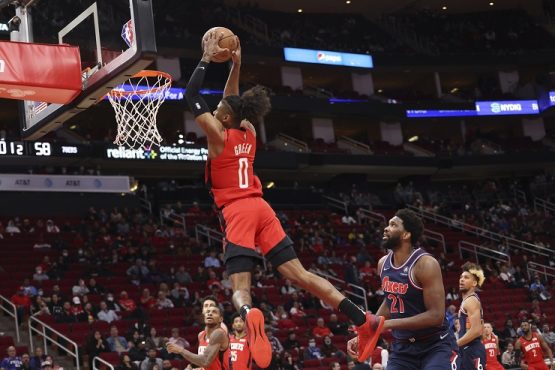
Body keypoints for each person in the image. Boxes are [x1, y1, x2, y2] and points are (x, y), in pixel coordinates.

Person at [185, 30, 382, 367]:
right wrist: (237, 63)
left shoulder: (218, 136)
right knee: (301, 275)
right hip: (263, 207)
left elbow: (191, 97)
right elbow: (232, 98)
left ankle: (249, 315)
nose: (216, 108)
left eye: (218, 108)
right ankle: (364, 320)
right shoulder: (246, 129)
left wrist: (205, 58)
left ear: (224, 118)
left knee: (239, 285)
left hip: (238, 211)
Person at [347, 209, 456, 370]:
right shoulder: (382, 264)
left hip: (434, 345)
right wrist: (367, 331)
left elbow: (436, 316)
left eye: (393, 225)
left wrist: (386, 324)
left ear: (406, 235)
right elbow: (391, 299)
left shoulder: (425, 264)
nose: (386, 228)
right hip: (403, 349)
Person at [166, 305, 230, 370]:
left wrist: (181, 350)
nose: (210, 313)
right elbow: (202, 359)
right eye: (208, 312)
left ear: (220, 319)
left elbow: (205, 361)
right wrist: (194, 367)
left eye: (214, 312)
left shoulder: (219, 333)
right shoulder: (201, 335)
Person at [457, 262, 486, 370]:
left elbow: (476, 330)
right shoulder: (467, 301)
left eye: (466, 277)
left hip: (472, 349)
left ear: (474, 283)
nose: (461, 279)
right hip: (466, 349)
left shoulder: (471, 300)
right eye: (461, 277)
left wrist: (455, 345)